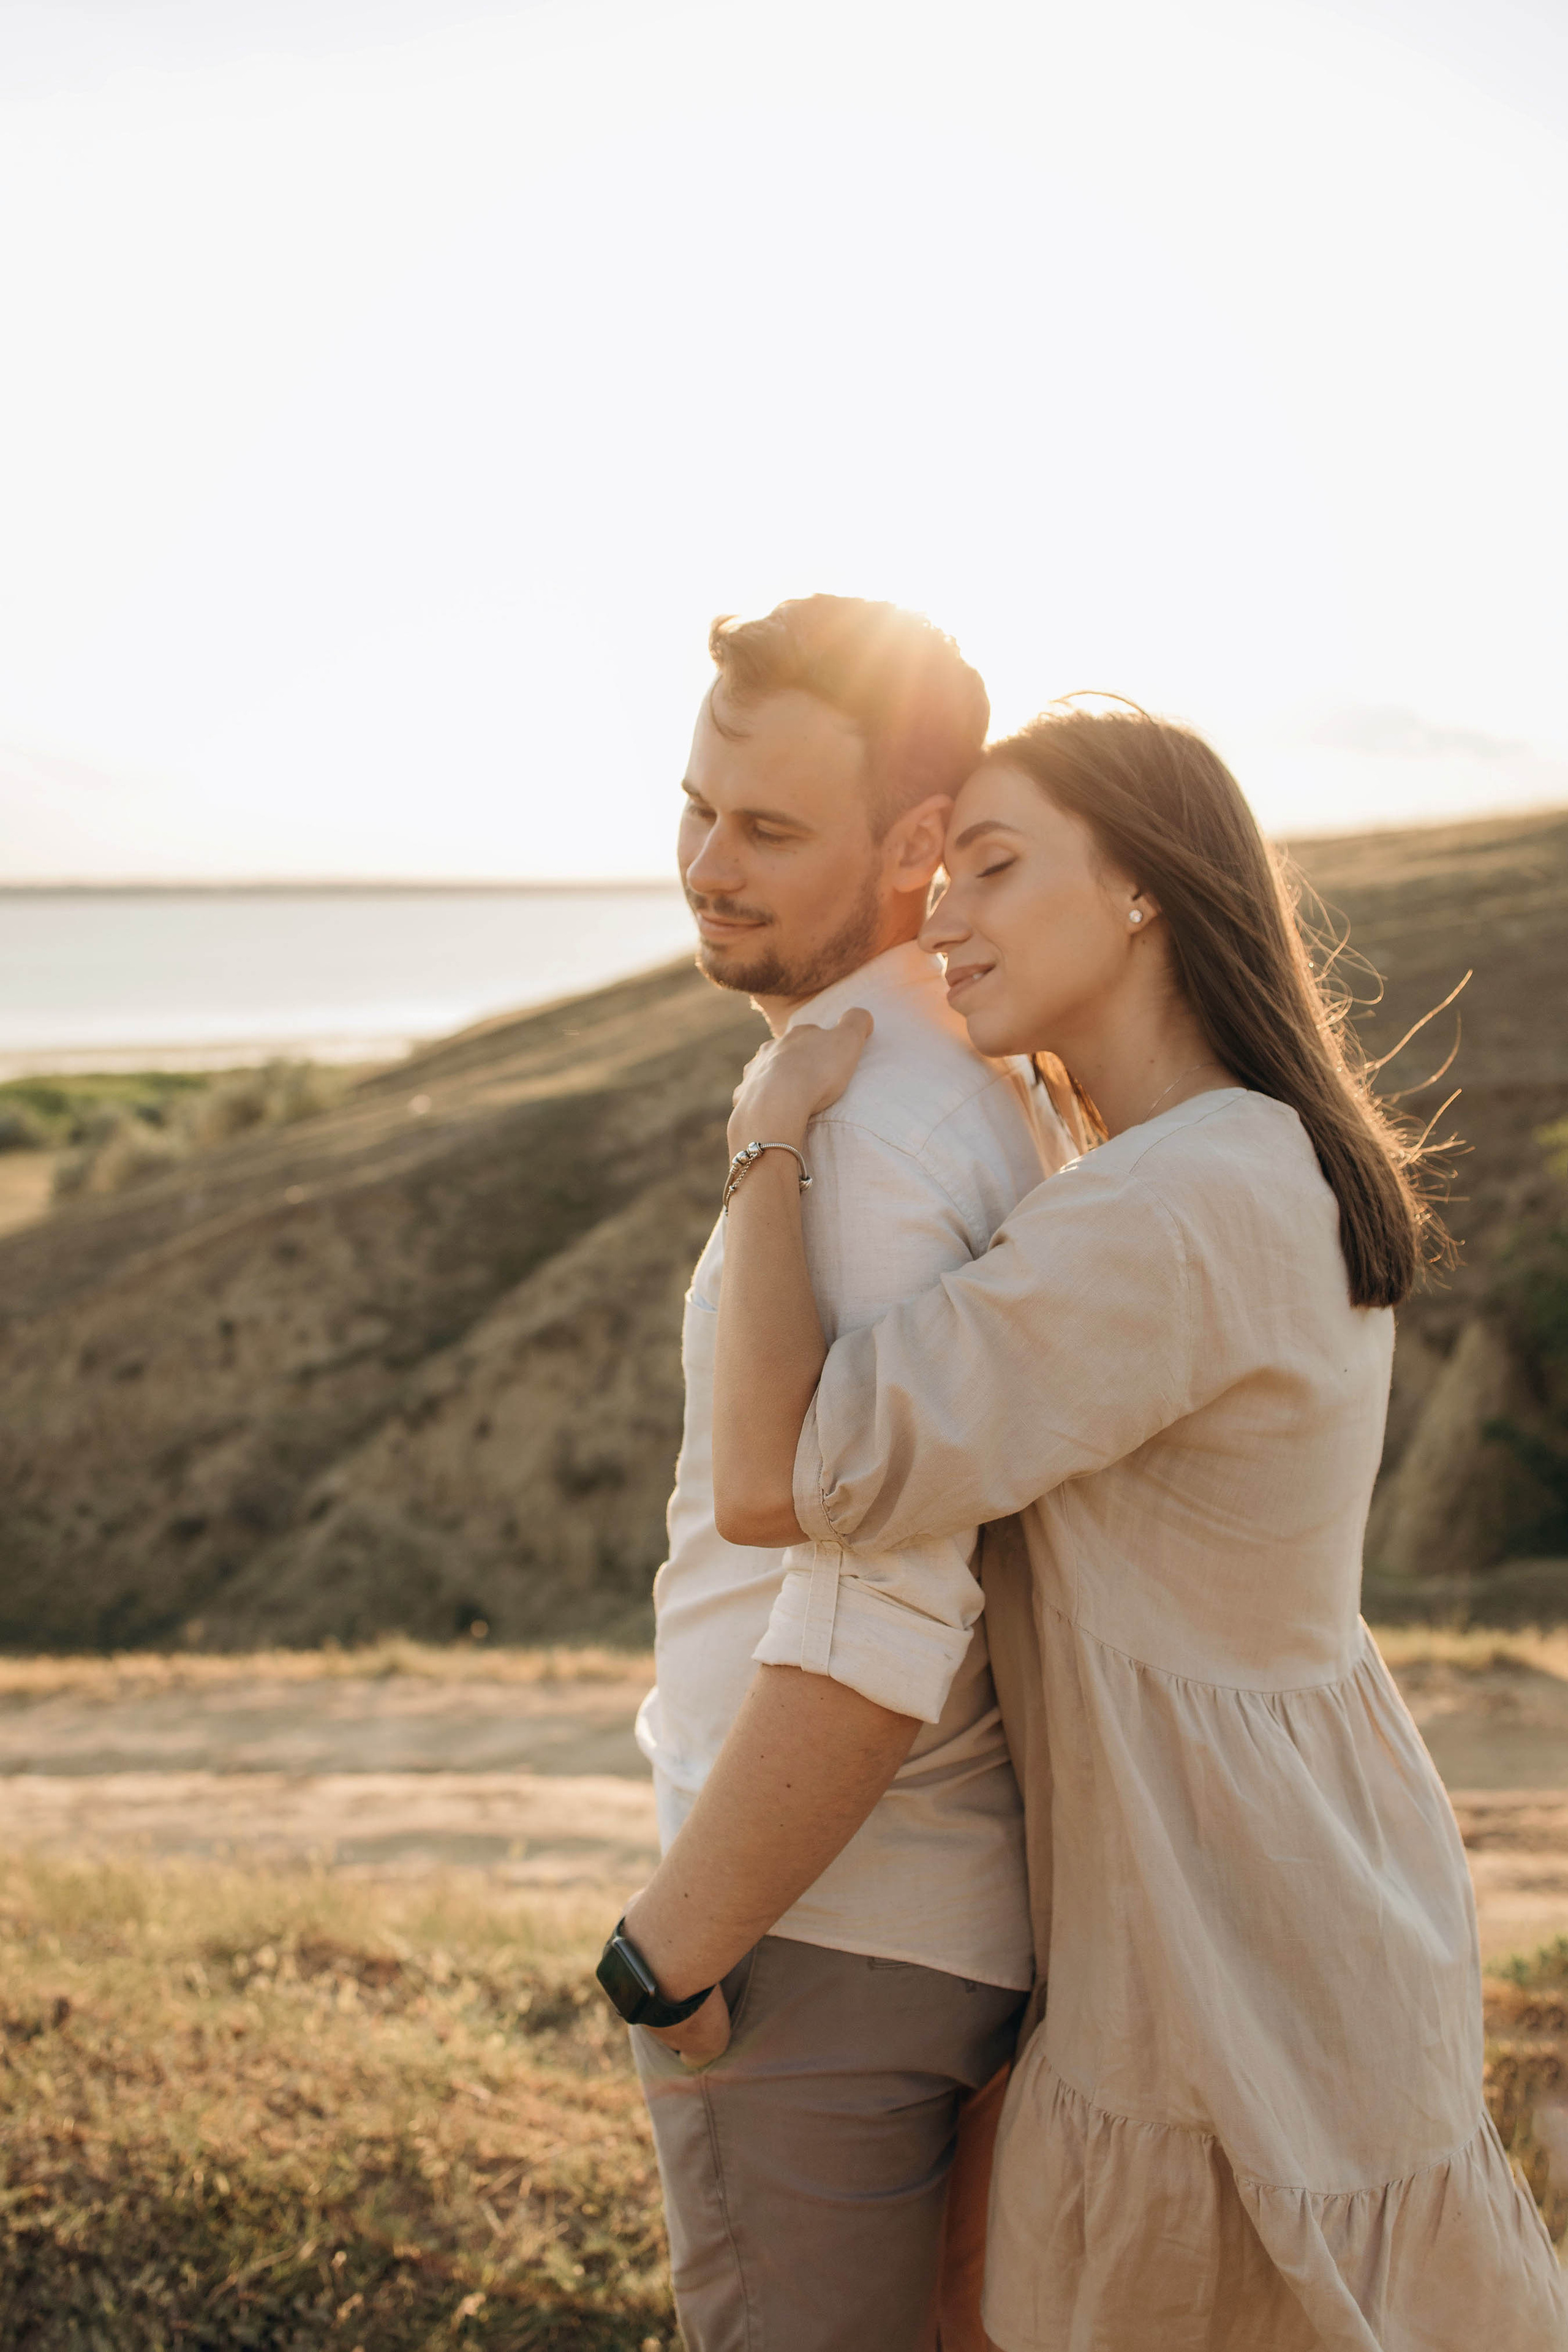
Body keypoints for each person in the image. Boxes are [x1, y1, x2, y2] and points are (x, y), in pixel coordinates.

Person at [616, 703, 1567, 2348]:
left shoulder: (1176, 1203)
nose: (944, 911)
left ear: (1144, 891)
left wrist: (770, 1134)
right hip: (1291, 1867)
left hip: (1220, 1913)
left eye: (994, 866)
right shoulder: (1226, 1162)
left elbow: (792, 1477)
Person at [603, 598, 1073, 2351]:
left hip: (810, 1937)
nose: (708, 865)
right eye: (697, 805)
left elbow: (876, 1594)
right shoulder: (943, 1088)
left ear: (918, 846)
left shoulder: (867, 1142)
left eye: (771, 831)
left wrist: (671, 1949)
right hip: (898, 1918)